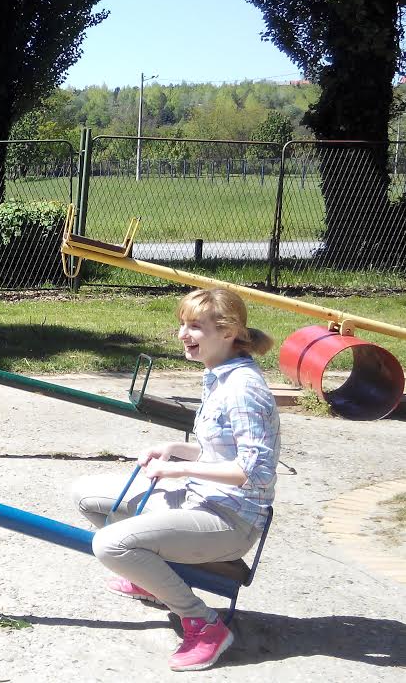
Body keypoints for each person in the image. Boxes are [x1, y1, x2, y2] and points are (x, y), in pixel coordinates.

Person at [71, 288, 279, 672]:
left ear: (228, 331)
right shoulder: (218, 375)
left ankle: (203, 624)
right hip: (199, 498)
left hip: (230, 520)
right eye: (182, 324)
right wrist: (175, 449)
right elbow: (221, 453)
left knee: (110, 545)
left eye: (195, 326)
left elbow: (253, 472)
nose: (183, 334)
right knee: (85, 495)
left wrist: (180, 470)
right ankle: (153, 579)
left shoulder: (243, 389)